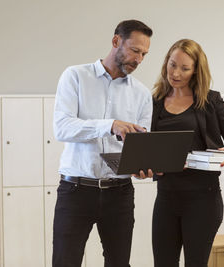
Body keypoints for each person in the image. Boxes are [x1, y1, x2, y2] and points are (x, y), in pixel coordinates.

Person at [53, 20, 153, 267]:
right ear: (116, 41)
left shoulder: (142, 94)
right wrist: (109, 125)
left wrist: (143, 167)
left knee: (119, 263)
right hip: (75, 191)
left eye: (144, 54)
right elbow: (62, 128)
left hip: (119, 193)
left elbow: (141, 146)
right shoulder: (75, 76)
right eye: (134, 50)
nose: (139, 60)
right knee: (65, 262)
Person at [151, 39, 224, 267]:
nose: (175, 73)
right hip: (166, 197)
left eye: (184, 68)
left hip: (202, 200)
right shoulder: (155, 102)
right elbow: (147, 147)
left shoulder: (211, 101)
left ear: (196, 70)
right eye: (172, 64)